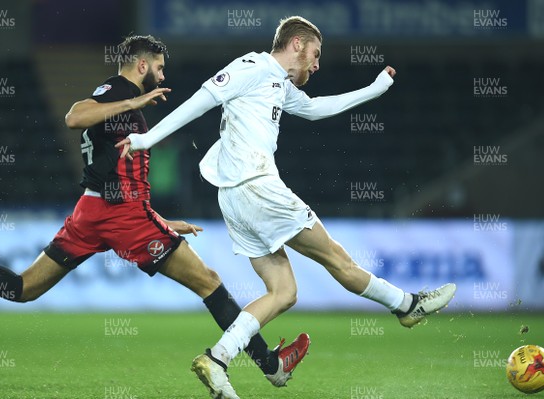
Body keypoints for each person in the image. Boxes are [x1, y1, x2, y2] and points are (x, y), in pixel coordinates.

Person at [115, 19, 456, 399]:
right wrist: (147, 138)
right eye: (315, 54)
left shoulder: (278, 83)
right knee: (337, 258)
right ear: (297, 44)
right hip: (258, 186)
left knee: (283, 291)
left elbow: (314, 109)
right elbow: (203, 99)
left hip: (234, 197)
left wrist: (374, 90)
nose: (317, 65)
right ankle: (407, 305)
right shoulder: (254, 67)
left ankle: (218, 358)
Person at [0, 35, 310, 396]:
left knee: (25, 287)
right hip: (121, 216)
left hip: (94, 211)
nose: (161, 73)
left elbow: (118, 174)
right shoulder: (119, 91)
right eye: (158, 66)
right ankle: (270, 366)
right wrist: (133, 100)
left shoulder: (120, 100)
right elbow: (74, 116)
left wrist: (162, 220)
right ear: (142, 65)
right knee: (209, 282)